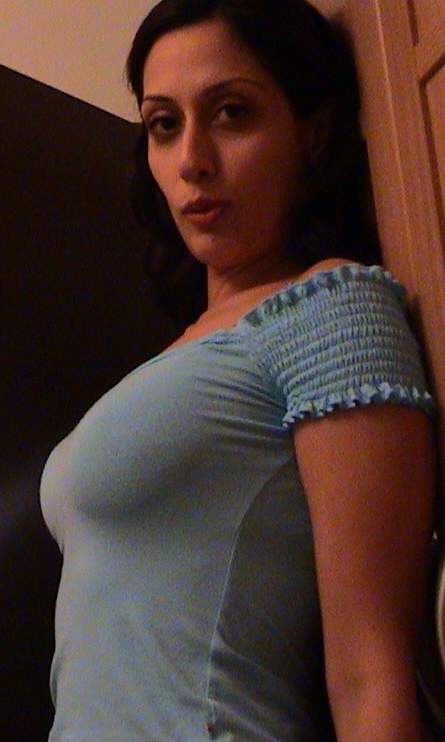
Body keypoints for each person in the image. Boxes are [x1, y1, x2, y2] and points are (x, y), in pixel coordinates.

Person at [40, 0, 437, 739]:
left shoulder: (330, 310)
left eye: (230, 113)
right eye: (164, 124)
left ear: (311, 132)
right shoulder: (178, 354)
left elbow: (368, 671)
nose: (192, 159)